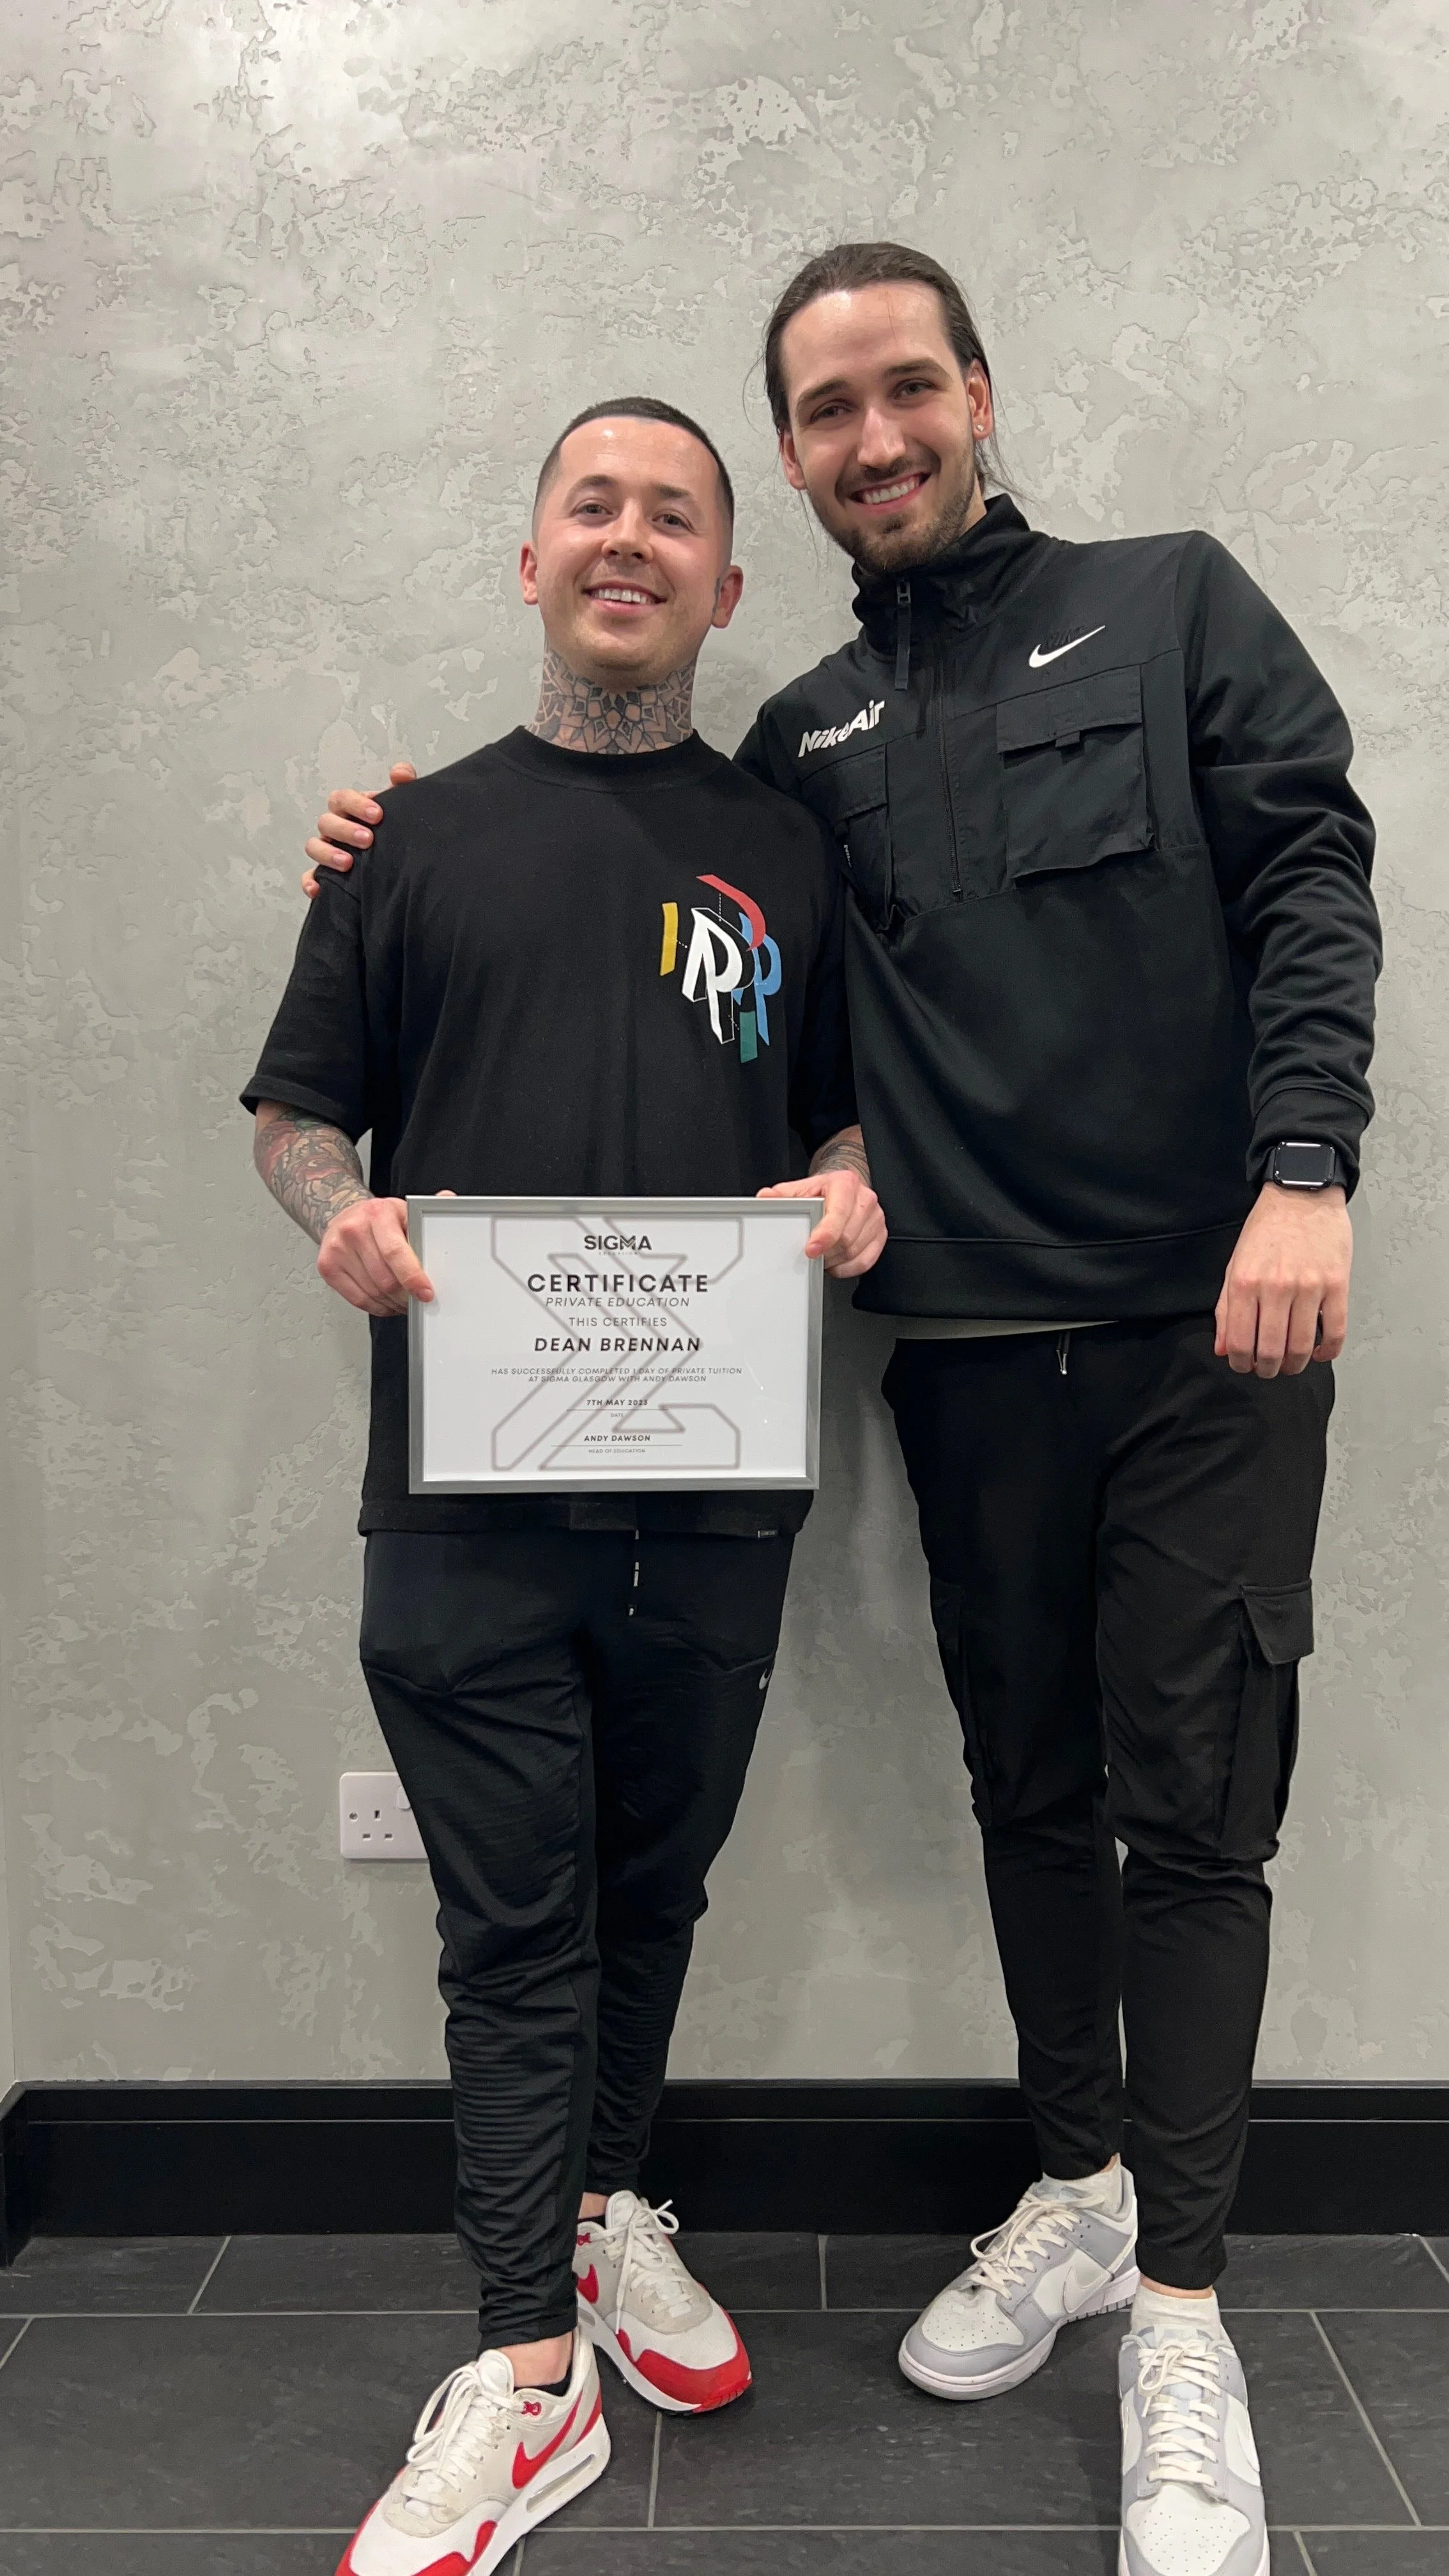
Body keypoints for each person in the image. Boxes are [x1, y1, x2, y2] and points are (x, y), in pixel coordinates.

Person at [305, 246, 1380, 2576]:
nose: (875, 437)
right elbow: (762, 1037)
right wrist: (372, 854)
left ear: (978, 396)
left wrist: (1304, 1170)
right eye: (825, 411)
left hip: (1214, 1328)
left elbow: (1314, 870)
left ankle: (1184, 2322)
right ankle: (1081, 2192)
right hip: (968, 1360)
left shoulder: (1174, 601)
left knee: (1193, 1815)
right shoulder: (792, 758)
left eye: (908, 389)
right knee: (1028, 1791)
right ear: (788, 468)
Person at [243, 393, 882, 2576]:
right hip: (462, 1489)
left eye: (676, 517)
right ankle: (528, 2380)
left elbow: (834, 1115)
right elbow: (298, 1113)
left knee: (656, 1888)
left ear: (725, 579)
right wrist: (334, 1210)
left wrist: (849, 1186)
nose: (631, 540)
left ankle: (603, 2218)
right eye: (590, 506)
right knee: (515, 1923)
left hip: (716, 1490)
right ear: (531, 560)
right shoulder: (403, 839)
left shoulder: (793, 848)